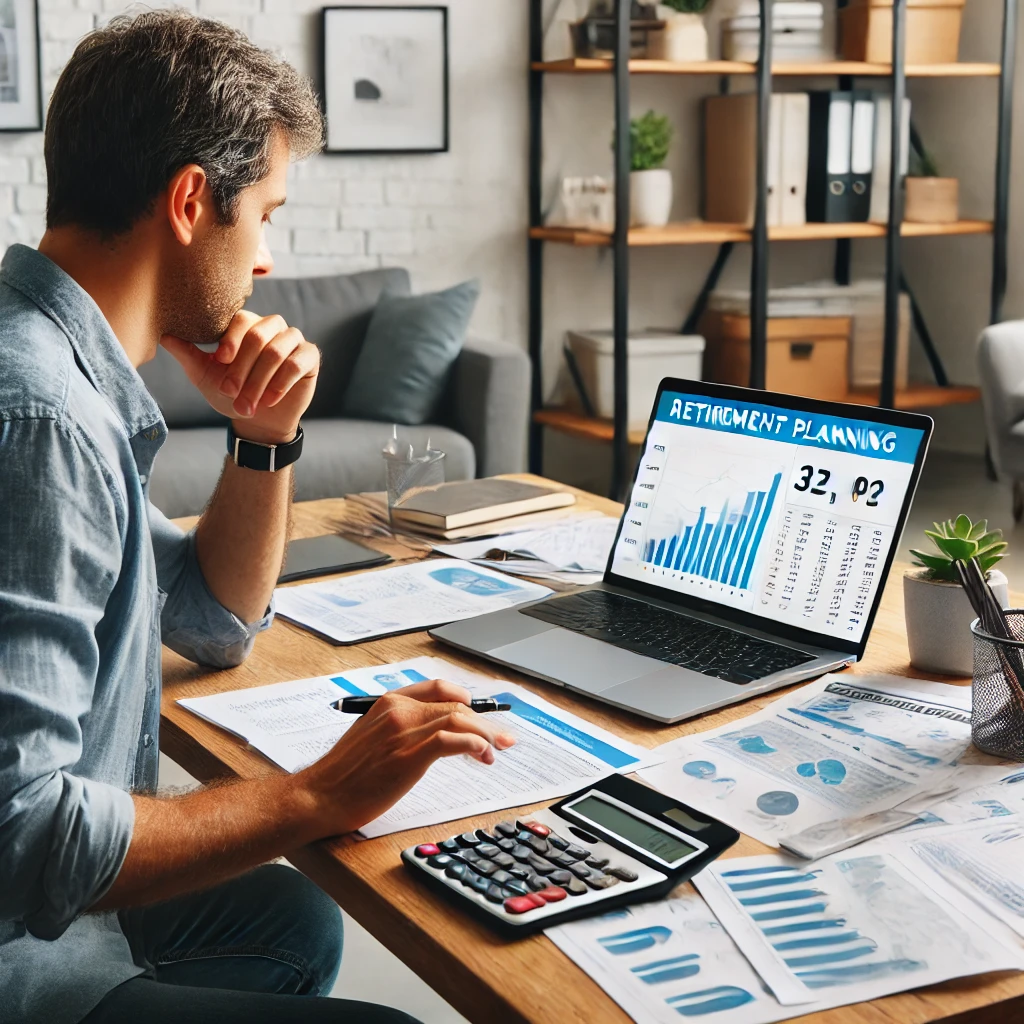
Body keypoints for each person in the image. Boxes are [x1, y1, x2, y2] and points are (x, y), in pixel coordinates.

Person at [0, 11, 515, 1024]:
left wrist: (265, 433)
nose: (269, 257)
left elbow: (211, 618)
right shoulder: (43, 418)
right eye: (267, 212)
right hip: (25, 954)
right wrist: (316, 795)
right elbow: (25, 838)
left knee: (295, 921)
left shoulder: (62, 372)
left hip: (49, 916)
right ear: (193, 200)